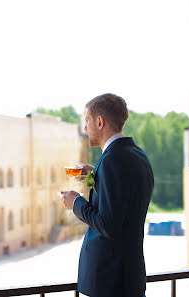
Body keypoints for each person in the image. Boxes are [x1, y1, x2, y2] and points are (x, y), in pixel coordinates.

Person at [61, 93, 154, 297]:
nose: (85, 128)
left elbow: (108, 224)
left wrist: (76, 202)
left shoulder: (112, 159)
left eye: (87, 121)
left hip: (110, 281)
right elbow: (125, 195)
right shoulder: (136, 154)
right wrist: (96, 175)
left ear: (100, 122)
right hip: (129, 276)